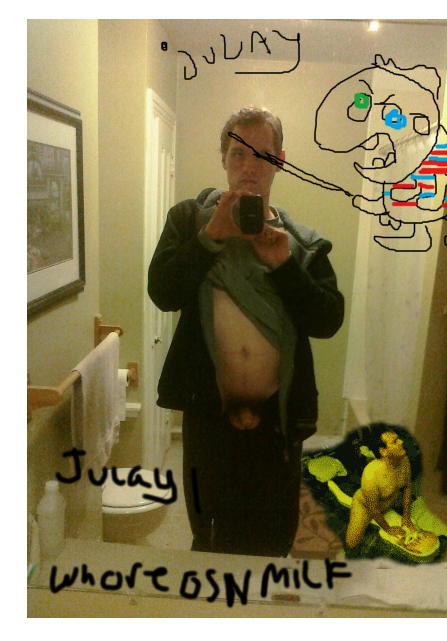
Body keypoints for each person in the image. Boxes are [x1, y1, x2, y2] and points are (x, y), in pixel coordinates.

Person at [148, 106, 344, 556]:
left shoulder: (302, 243)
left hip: (277, 423)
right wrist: (209, 238)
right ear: (223, 159)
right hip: (209, 418)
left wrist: (285, 266)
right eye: (238, 154)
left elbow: (328, 320)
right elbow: (163, 292)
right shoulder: (189, 220)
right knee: (210, 536)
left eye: (262, 155)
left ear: (280, 161)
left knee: (273, 535)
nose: (249, 167)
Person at [345, 425, 417, 550]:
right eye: (395, 441)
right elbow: (373, 508)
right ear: (383, 451)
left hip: (391, 498)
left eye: (398, 439)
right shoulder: (371, 473)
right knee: (351, 543)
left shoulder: (404, 460)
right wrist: (388, 529)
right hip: (367, 506)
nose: (401, 442)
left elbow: (407, 488)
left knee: (414, 529)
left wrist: (406, 517)